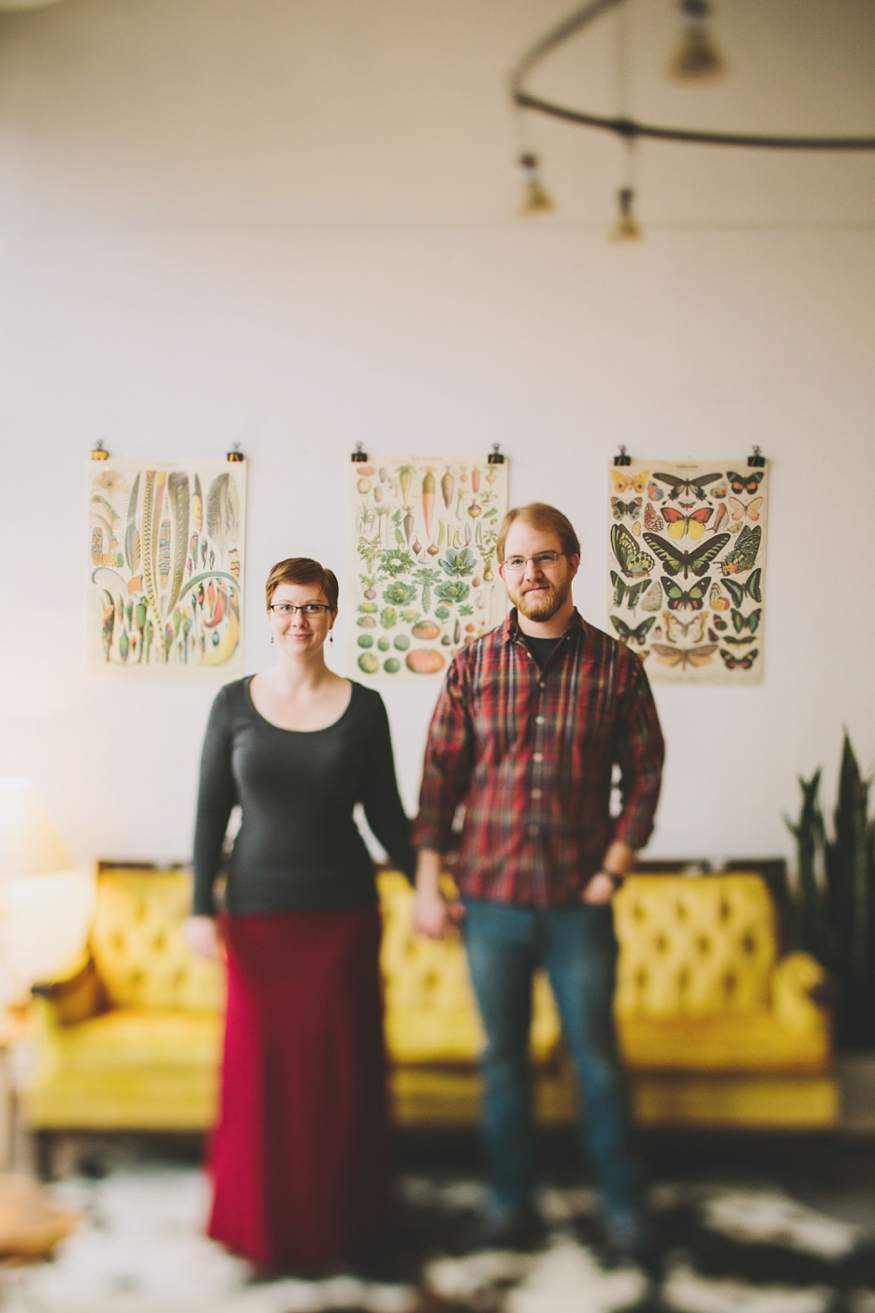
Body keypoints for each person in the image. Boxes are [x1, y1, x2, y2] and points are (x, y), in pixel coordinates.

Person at [413, 503, 664, 1261]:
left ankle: (622, 1208)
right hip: (488, 902)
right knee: (503, 1062)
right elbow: (437, 784)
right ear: (502, 572)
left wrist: (612, 869)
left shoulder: (617, 666)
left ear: (573, 563)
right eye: (518, 561)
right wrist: (429, 879)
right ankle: (508, 1205)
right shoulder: (470, 665)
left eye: (545, 558)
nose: (531, 574)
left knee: (596, 1057)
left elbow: (644, 776)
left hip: (574, 906)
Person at [186, 557, 415, 1277]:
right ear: (269, 613)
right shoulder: (231, 703)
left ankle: (342, 1224)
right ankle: (263, 1226)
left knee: (339, 1078)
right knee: (262, 1079)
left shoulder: (367, 706)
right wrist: (199, 907)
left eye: (312, 607)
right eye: (285, 606)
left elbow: (385, 815)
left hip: (342, 917)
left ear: (332, 616)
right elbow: (208, 813)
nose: (297, 620)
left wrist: (430, 883)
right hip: (256, 919)